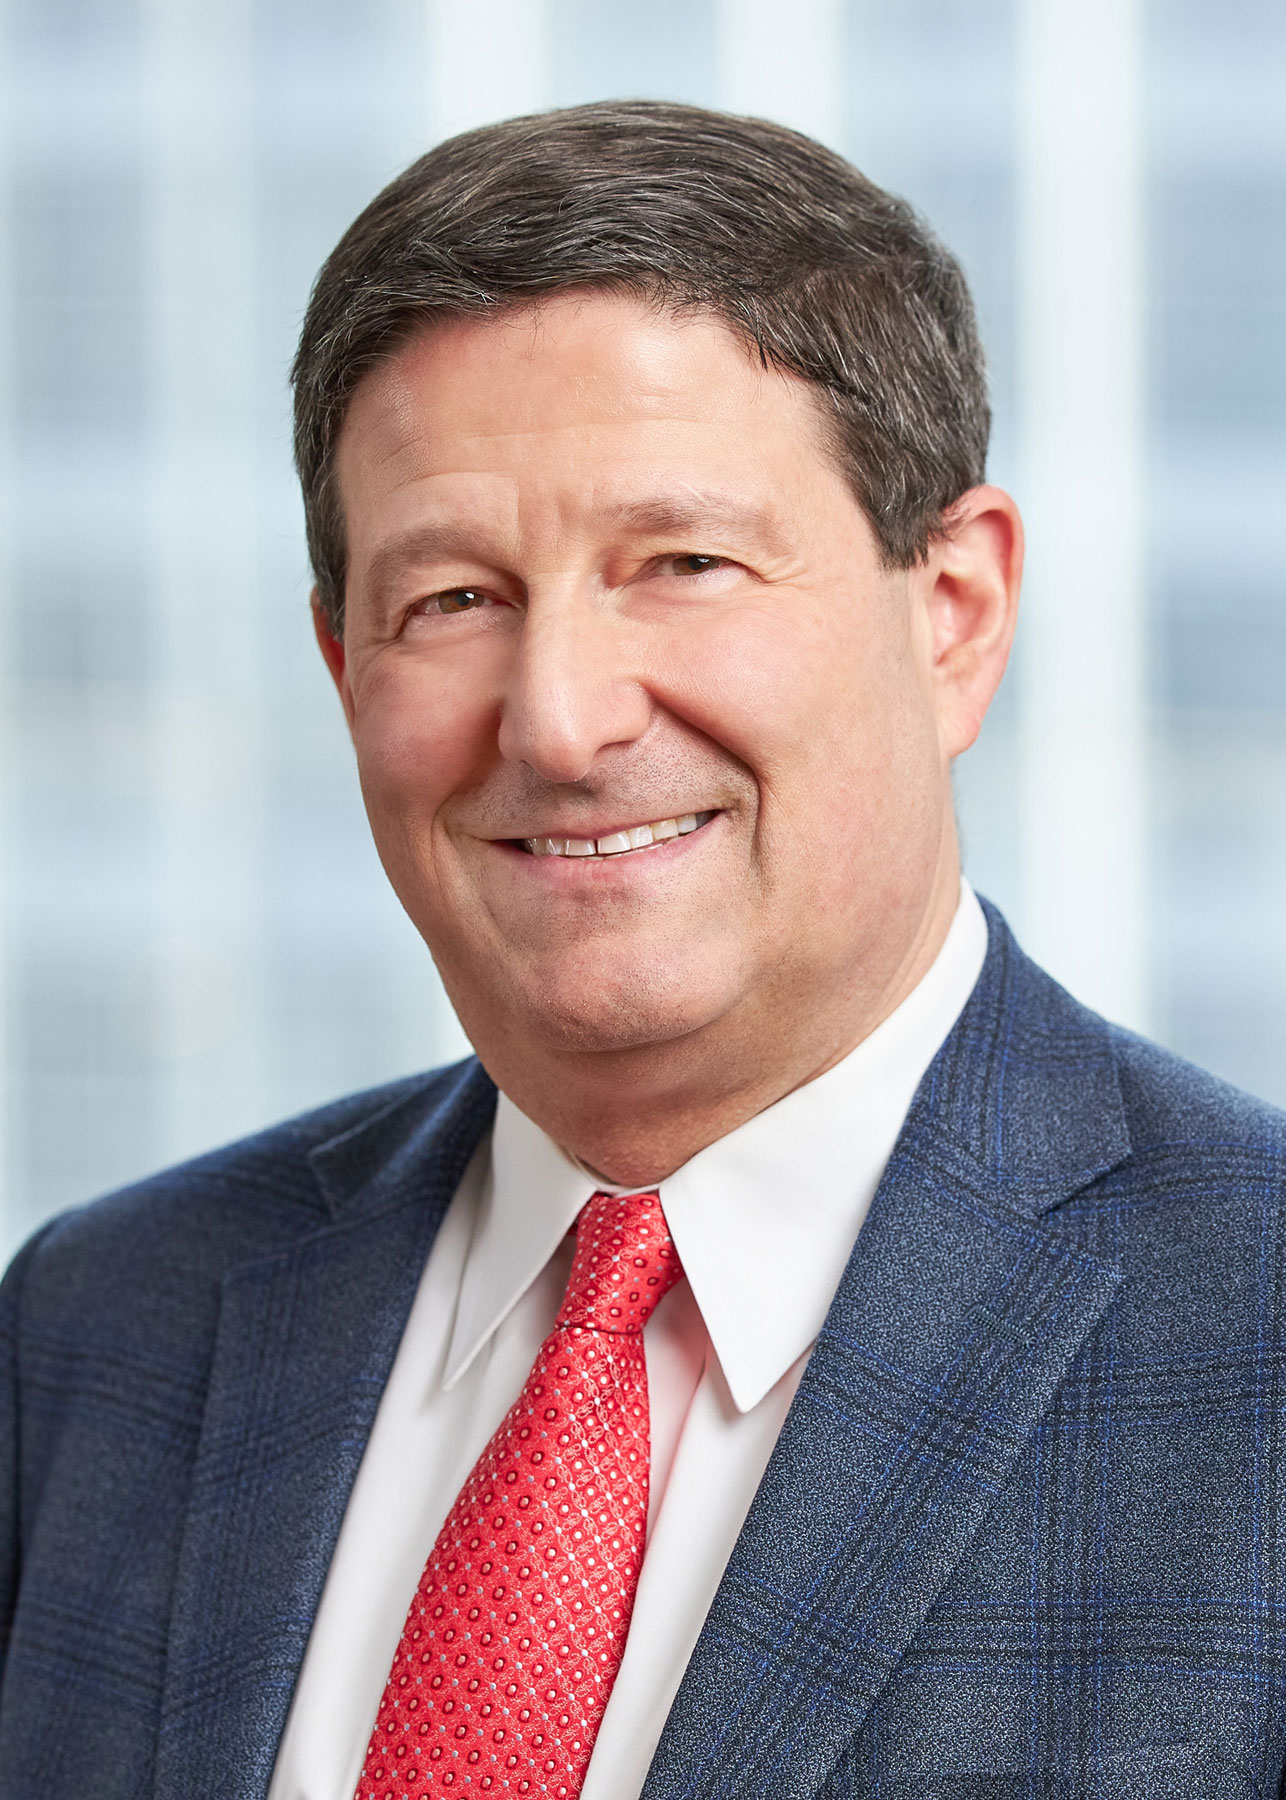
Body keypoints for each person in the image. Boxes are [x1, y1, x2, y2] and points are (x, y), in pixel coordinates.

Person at [1, 100, 1282, 1800]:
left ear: (952, 613)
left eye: (682, 563)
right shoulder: (95, 1329)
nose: (559, 718)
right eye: (451, 600)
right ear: (342, 668)